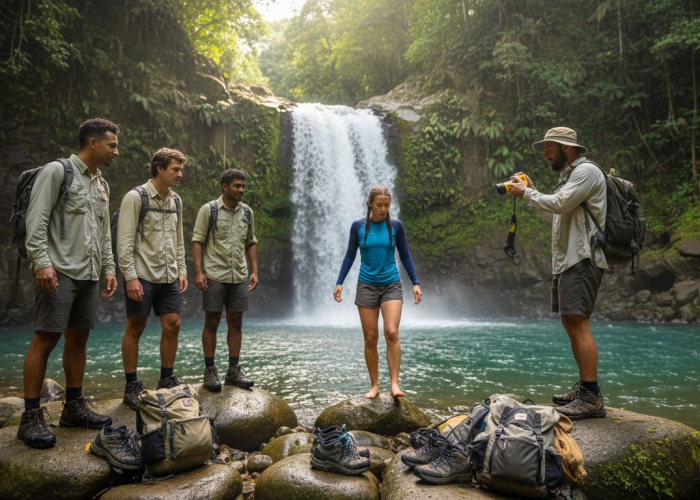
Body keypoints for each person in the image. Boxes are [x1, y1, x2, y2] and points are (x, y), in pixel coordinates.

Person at [18, 118, 119, 449]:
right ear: (92, 143)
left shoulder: (102, 184)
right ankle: (30, 416)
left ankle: (73, 407)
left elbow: (104, 231)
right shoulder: (57, 172)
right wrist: (41, 264)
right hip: (59, 270)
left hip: (89, 273)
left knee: (79, 339)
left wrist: (108, 267)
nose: (116, 151)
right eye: (112, 145)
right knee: (45, 338)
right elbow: (37, 219)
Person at [508, 126, 608, 420]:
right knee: (570, 322)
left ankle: (591, 396)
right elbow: (554, 213)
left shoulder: (586, 172)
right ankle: (586, 389)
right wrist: (533, 192)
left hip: (583, 256)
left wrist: (527, 192)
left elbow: (560, 203)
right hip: (568, 259)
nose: (545, 155)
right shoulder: (569, 177)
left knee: (578, 322)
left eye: (548, 149)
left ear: (566, 148)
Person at [334, 186, 422, 399]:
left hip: (391, 284)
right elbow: (349, 256)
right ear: (370, 204)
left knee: (391, 332)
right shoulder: (358, 227)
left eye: (387, 205)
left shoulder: (396, 227)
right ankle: (374, 385)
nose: (384, 209)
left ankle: (394, 384)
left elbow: (405, 255)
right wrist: (339, 282)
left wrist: (415, 282)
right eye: (380, 205)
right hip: (366, 285)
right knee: (370, 338)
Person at [118, 148, 188, 410]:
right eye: (175, 169)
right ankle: (132, 384)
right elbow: (124, 240)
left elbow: (179, 239)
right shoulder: (136, 198)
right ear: (159, 168)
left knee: (173, 324)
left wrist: (181, 270)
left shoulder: (176, 201)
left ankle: (166, 379)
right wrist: (130, 277)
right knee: (136, 326)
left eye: (181, 169)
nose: (180, 174)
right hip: (143, 274)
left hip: (168, 274)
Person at [192, 169, 259, 392]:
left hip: (238, 275)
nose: (241, 190)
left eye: (243, 186)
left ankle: (233, 370)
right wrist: (199, 272)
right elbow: (198, 241)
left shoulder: (247, 212)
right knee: (211, 322)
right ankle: (210, 370)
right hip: (214, 274)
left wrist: (254, 270)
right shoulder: (209, 210)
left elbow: (251, 242)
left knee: (236, 321)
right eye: (237, 186)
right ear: (224, 186)